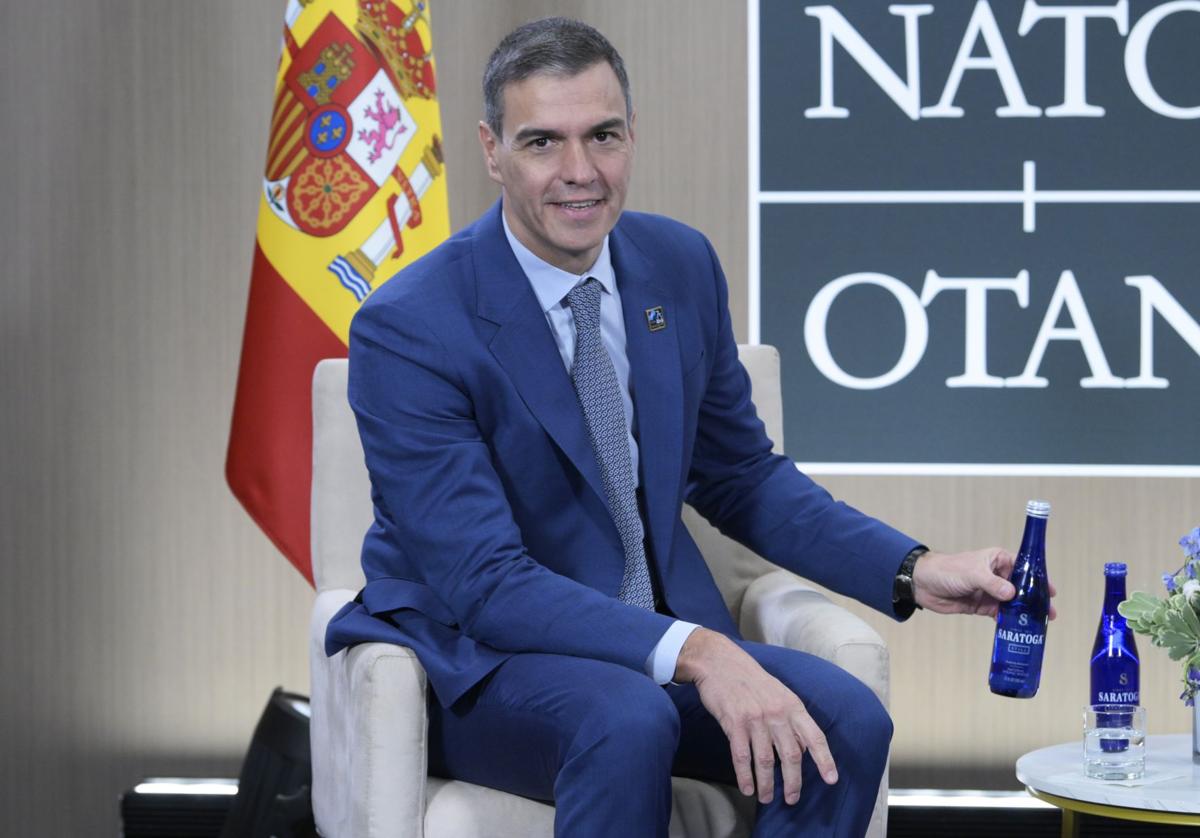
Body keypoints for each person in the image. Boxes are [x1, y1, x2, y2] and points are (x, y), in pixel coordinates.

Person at [326, 17, 1055, 837]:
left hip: (654, 642)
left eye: (602, 135)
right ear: (492, 150)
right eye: (542, 142)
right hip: (487, 661)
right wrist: (704, 653)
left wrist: (913, 569)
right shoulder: (411, 324)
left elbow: (741, 476)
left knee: (847, 724)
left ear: (632, 135)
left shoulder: (677, 263)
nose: (580, 172)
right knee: (628, 719)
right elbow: (487, 583)